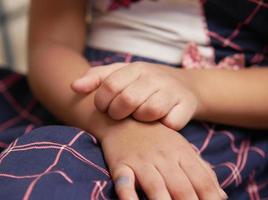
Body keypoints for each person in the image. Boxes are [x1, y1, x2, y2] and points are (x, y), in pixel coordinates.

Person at [25, 0, 268, 199]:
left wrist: (193, 86)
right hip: (83, 98)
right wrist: (119, 125)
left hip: (232, 107)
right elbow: (51, 45)